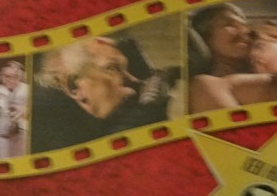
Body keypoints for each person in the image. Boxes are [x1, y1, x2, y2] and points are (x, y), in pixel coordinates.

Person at [32, 36, 174, 151]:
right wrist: (148, 112)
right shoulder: (46, 129)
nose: (133, 85)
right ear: (74, 87)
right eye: (112, 69)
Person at [188, 6, 277, 112]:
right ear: (205, 37)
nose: (244, 31)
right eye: (229, 24)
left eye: (244, 26)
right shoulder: (204, 85)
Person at [0, 60, 29, 133]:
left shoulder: (28, 90)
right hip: (1, 131)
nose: (7, 80)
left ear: (20, 77)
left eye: (13, 76)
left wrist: (26, 110)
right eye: (4, 76)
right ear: (0, 76)